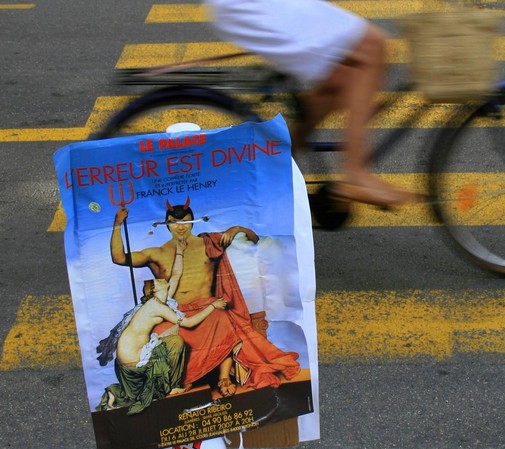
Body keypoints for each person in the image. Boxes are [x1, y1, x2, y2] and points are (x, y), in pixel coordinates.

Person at [204, 0, 419, 207]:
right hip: (253, 7)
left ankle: (275, 166)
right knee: (372, 46)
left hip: (251, 8)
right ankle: (354, 173)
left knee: (340, 78)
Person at [110, 199, 300, 396]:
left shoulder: (209, 243)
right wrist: (117, 224)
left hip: (208, 309)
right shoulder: (156, 253)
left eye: (185, 221)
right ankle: (179, 379)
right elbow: (119, 258)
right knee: (161, 333)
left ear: (192, 222)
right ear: (167, 224)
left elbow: (254, 240)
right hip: (175, 314)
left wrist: (237, 229)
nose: (180, 227)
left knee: (223, 319)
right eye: (174, 222)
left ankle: (223, 377)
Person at [96, 242, 228, 414]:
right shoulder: (156, 306)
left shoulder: (162, 299)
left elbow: (176, 275)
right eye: (158, 281)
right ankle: (168, 388)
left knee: (170, 341)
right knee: (176, 342)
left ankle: (117, 394)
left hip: (129, 357)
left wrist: (180, 250)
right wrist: (213, 306)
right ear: (155, 290)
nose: (161, 279)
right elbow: (189, 323)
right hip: (132, 361)